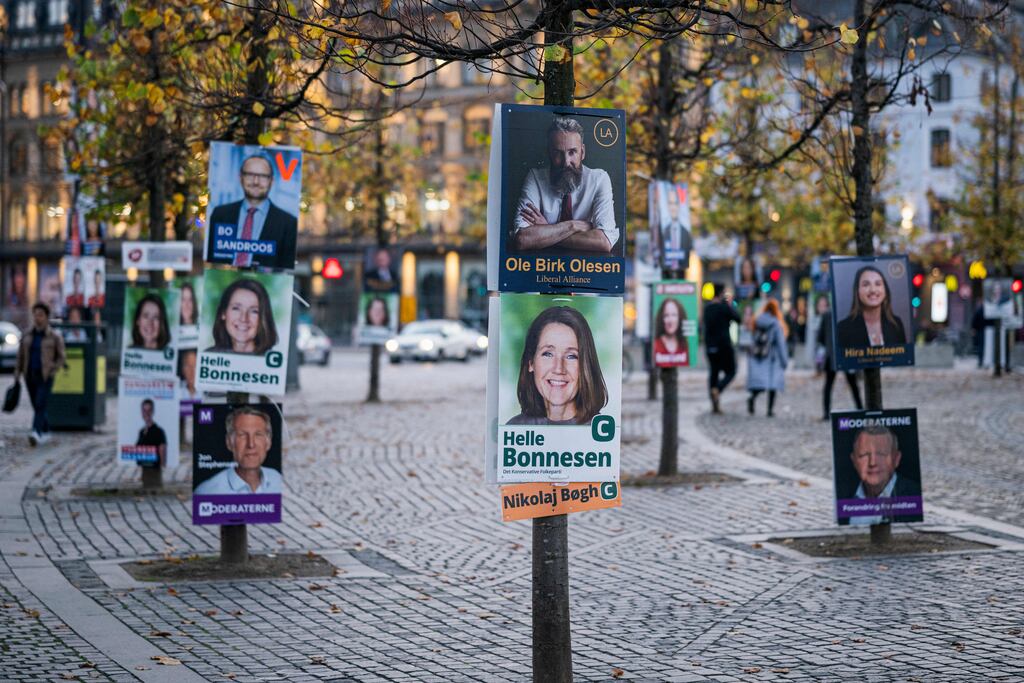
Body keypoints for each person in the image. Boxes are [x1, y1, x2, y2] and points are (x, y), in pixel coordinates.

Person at [512, 117, 618, 254]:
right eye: (558, 153)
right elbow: (522, 239)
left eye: (572, 152)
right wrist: (573, 226)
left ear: (583, 152)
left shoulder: (599, 179)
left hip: (588, 270)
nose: (566, 162)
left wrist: (548, 229)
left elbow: (604, 241)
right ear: (549, 153)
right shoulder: (535, 178)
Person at [508, 306, 607, 425]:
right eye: (548, 354)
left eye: (571, 356)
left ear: (585, 366)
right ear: (531, 363)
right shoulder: (515, 428)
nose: (558, 368)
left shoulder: (601, 430)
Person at [207, 154, 298, 268]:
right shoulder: (220, 214)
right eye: (250, 175)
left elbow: (284, 267)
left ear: (272, 180)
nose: (256, 181)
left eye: (263, 176)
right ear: (240, 177)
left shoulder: (288, 223)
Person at [841, 425, 922, 525]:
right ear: (854, 460)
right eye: (864, 455)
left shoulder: (914, 494)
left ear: (896, 459)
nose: (872, 463)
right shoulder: (843, 497)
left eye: (881, 454)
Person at [194, 406, 282, 494]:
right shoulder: (207, 492)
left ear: (268, 442)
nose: (251, 444)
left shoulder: (278, 480)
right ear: (229, 442)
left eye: (258, 435)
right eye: (242, 435)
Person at [15, 303, 66, 445]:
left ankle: (35, 432)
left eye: (41, 315)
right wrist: (17, 373)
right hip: (30, 374)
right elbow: (21, 355)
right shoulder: (27, 334)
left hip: (45, 375)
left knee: (40, 403)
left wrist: (53, 370)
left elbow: (61, 357)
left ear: (46, 317)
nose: (38, 318)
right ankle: (46, 429)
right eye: (36, 315)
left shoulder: (54, 336)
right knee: (36, 404)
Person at [836, 266, 908, 350]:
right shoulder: (843, 328)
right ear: (857, 291)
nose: (873, 290)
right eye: (866, 285)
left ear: (885, 290)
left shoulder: (896, 324)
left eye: (878, 284)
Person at [817, 297, 863, 420]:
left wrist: (827, 346)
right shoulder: (851, 314)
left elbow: (820, 336)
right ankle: (860, 408)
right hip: (847, 354)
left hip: (831, 355)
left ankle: (826, 412)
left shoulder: (827, 315)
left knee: (828, 384)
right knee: (853, 384)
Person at [207, 278, 277, 355]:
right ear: (223, 313)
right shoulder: (209, 355)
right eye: (236, 308)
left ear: (263, 318)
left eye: (254, 311)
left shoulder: (272, 361)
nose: (243, 319)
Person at [746, 299, 788, 417]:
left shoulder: (757, 321)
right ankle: (769, 410)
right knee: (772, 385)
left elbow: (753, 339)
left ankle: (752, 399)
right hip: (772, 358)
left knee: (760, 384)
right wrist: (784, 361)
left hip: (759, 356)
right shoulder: (776, 324)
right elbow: (780, 344)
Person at [703, 284, 741, 414]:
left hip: (710, 347)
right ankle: (718, 389)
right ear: (720, 294)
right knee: (731, 371)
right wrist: (729, 305)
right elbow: (738, 318)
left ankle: (714, 404)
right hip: (724, 345)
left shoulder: (707, 309)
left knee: (713, 373)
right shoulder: (724, 308)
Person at [658, 183, 692, 265]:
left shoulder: (686, 233)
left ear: (679, 205)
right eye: (670, 203)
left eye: (675, 203)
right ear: (667, 206)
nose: (673, 207)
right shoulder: (663, 231)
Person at [653, 298, 688, 367]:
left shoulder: (683, 345)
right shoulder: (656, 344)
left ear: (679, 317)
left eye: (674, 315)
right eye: (666, 315)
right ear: (661, 318)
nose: (670, 320)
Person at [135, 398, 167, 468]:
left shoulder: (159, 431)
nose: (147, 413)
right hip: (144, 468)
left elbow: (162, 451)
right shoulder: (141, 431)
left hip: (154, 470)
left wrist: (162, 466)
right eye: (144, 411)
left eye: (149, 411)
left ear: (153, 411)